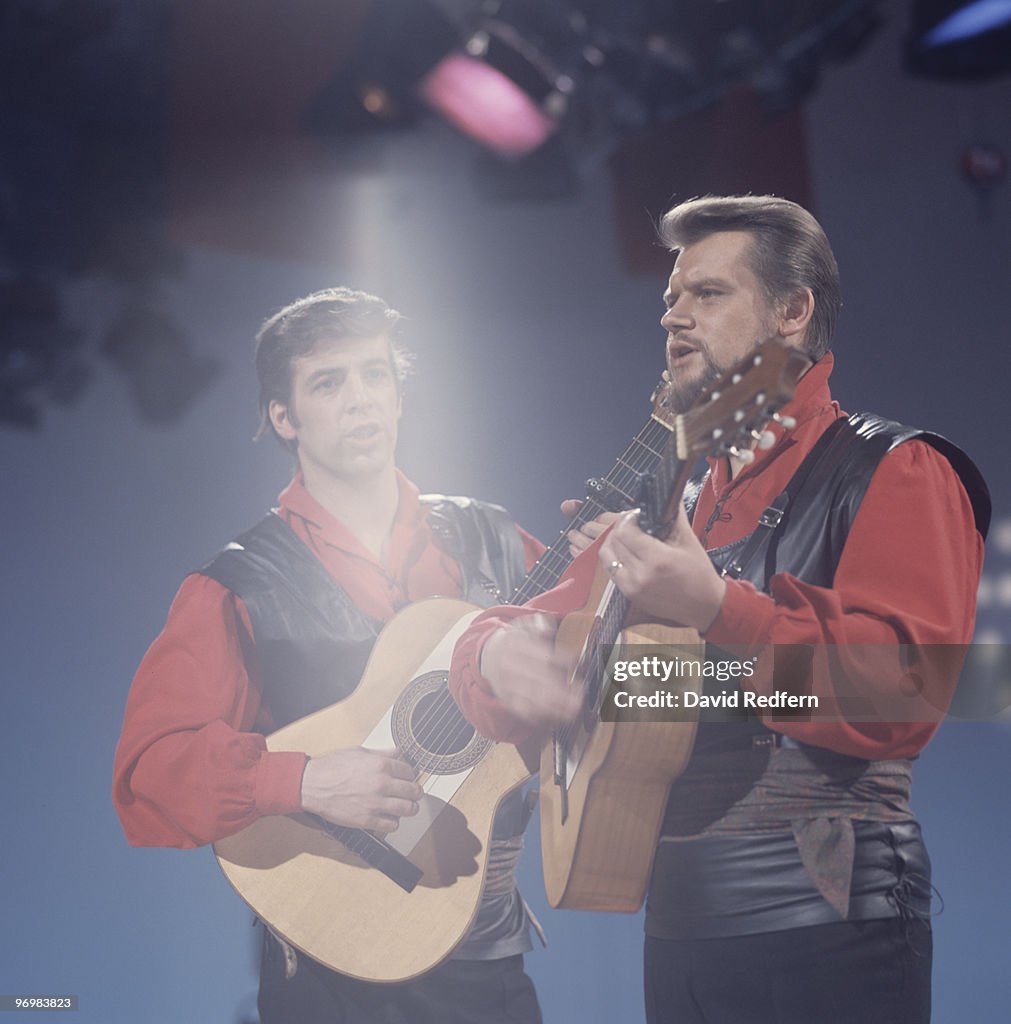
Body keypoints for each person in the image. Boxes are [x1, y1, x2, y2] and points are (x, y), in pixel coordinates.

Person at [448, 195, 990, 1024]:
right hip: (675, 936)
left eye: (708, 294)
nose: (674, 315)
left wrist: (715, 608)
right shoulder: (672, 504)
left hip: (826, 936)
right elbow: (534, 633)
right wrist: (493, 656)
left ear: (792, 311)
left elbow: (905, 696)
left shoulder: (899, 469)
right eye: (670, 297)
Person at [113, 287, 545, 1024]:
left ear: (401, 396)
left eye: (375, 375)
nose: (360, 400)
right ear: (283, 417)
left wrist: (763, 677)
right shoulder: (236, 584)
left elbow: (610, 683)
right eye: (327, 382)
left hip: (487, 954)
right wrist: (303, 781)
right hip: (331, 967)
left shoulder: (493, 541)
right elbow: (150, 769)